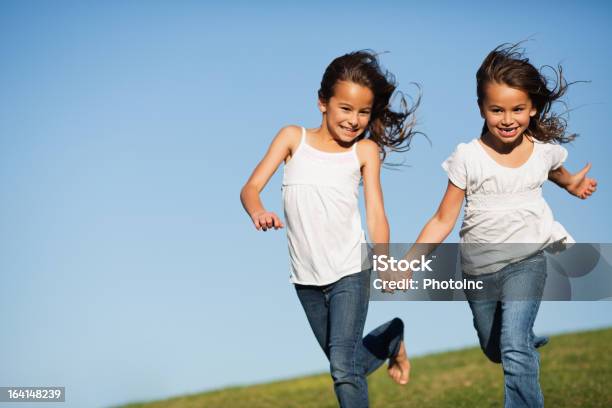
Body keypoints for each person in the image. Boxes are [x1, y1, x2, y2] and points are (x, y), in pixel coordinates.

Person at [412, 43, 597, 407]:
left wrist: (573, 183)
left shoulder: (541, 150)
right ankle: (522, 343)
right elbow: (442, 218)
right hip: (478, 270)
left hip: (526, 260)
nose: (507, 119)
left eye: (517, 109)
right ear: (481, 108)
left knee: (513, 344)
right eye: (497, 110)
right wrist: (409, 262)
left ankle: (521, 351)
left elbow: (557, 173)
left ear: (532, 108)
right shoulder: (468, 157)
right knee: (495, 347)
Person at [240, 50, 419, 407]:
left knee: (343, 371)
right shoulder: (293, 138)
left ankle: (388, 341)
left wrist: (383, 262)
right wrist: (258, 210)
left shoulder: (364, 151)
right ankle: (389, 340)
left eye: (364, 112)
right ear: (323, 103)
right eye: (346, 108)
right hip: (305, 278)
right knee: (346, 365)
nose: (354, 120)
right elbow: (250, 188)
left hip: (350, 270)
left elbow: (376, 215)